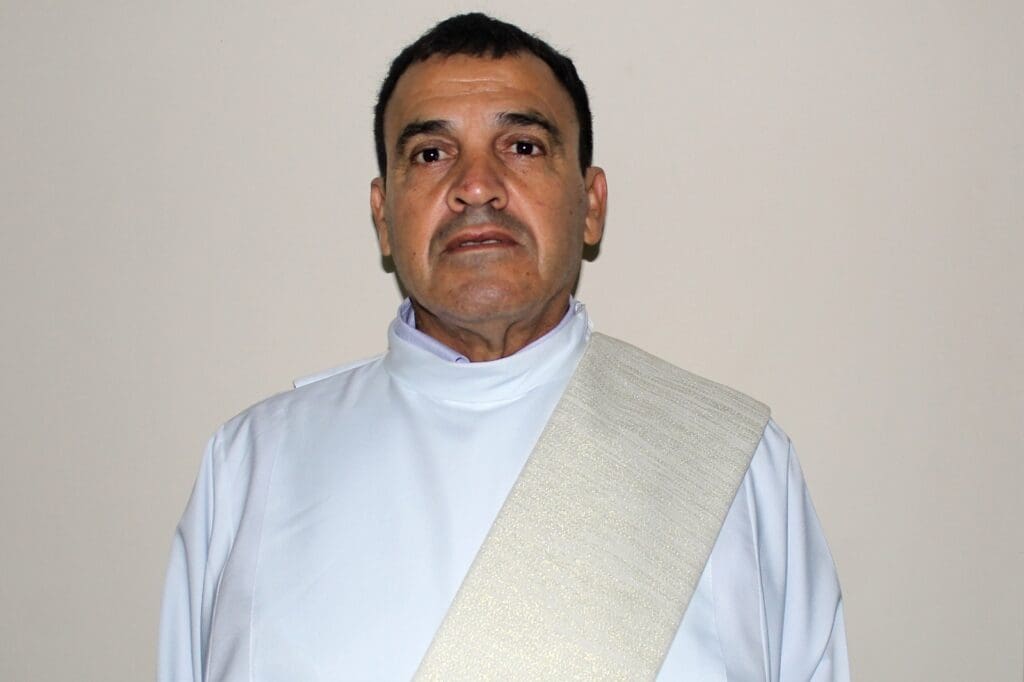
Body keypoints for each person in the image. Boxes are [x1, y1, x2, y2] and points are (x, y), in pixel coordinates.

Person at [158, 13, 848, 681]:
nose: (476, 186)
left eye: (522, 146)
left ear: (591, 204)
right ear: (384, 216)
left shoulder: (732, 462)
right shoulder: (251, 467)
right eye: (431, 154)